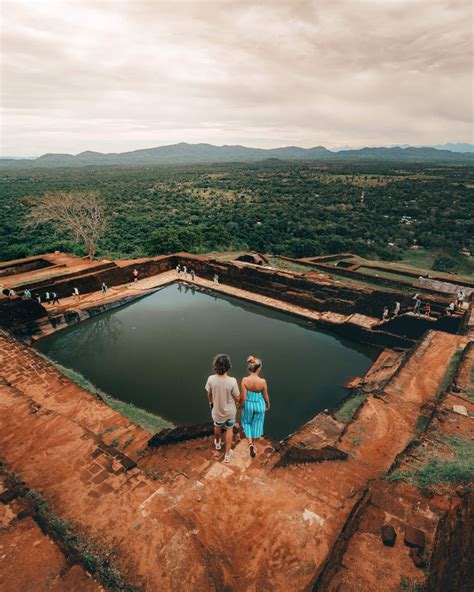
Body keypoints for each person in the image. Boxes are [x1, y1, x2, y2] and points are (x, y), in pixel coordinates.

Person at [205, 354, 240, 463]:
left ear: (215, 366)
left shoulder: (210, 379)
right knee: (229, 429)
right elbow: (237, 397)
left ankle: (218, 443)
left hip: (217, 411)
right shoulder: (232, 381)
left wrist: (210, 403)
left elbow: (209, 394)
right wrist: (238, 402)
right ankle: (227, 455)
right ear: (228, 367)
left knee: (217, 426)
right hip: (230, 412)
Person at [240, 356, 270, 458]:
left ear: (249, 368)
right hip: (259, 404)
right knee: (257, 424)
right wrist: (268, 404)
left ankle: (250, 444)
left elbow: (243, 397)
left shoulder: (244, 380)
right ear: (259, 368)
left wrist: (241, 405)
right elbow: (265, 395)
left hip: (248, 404)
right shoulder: (262, 381)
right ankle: (254, 443)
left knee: (247, 422)